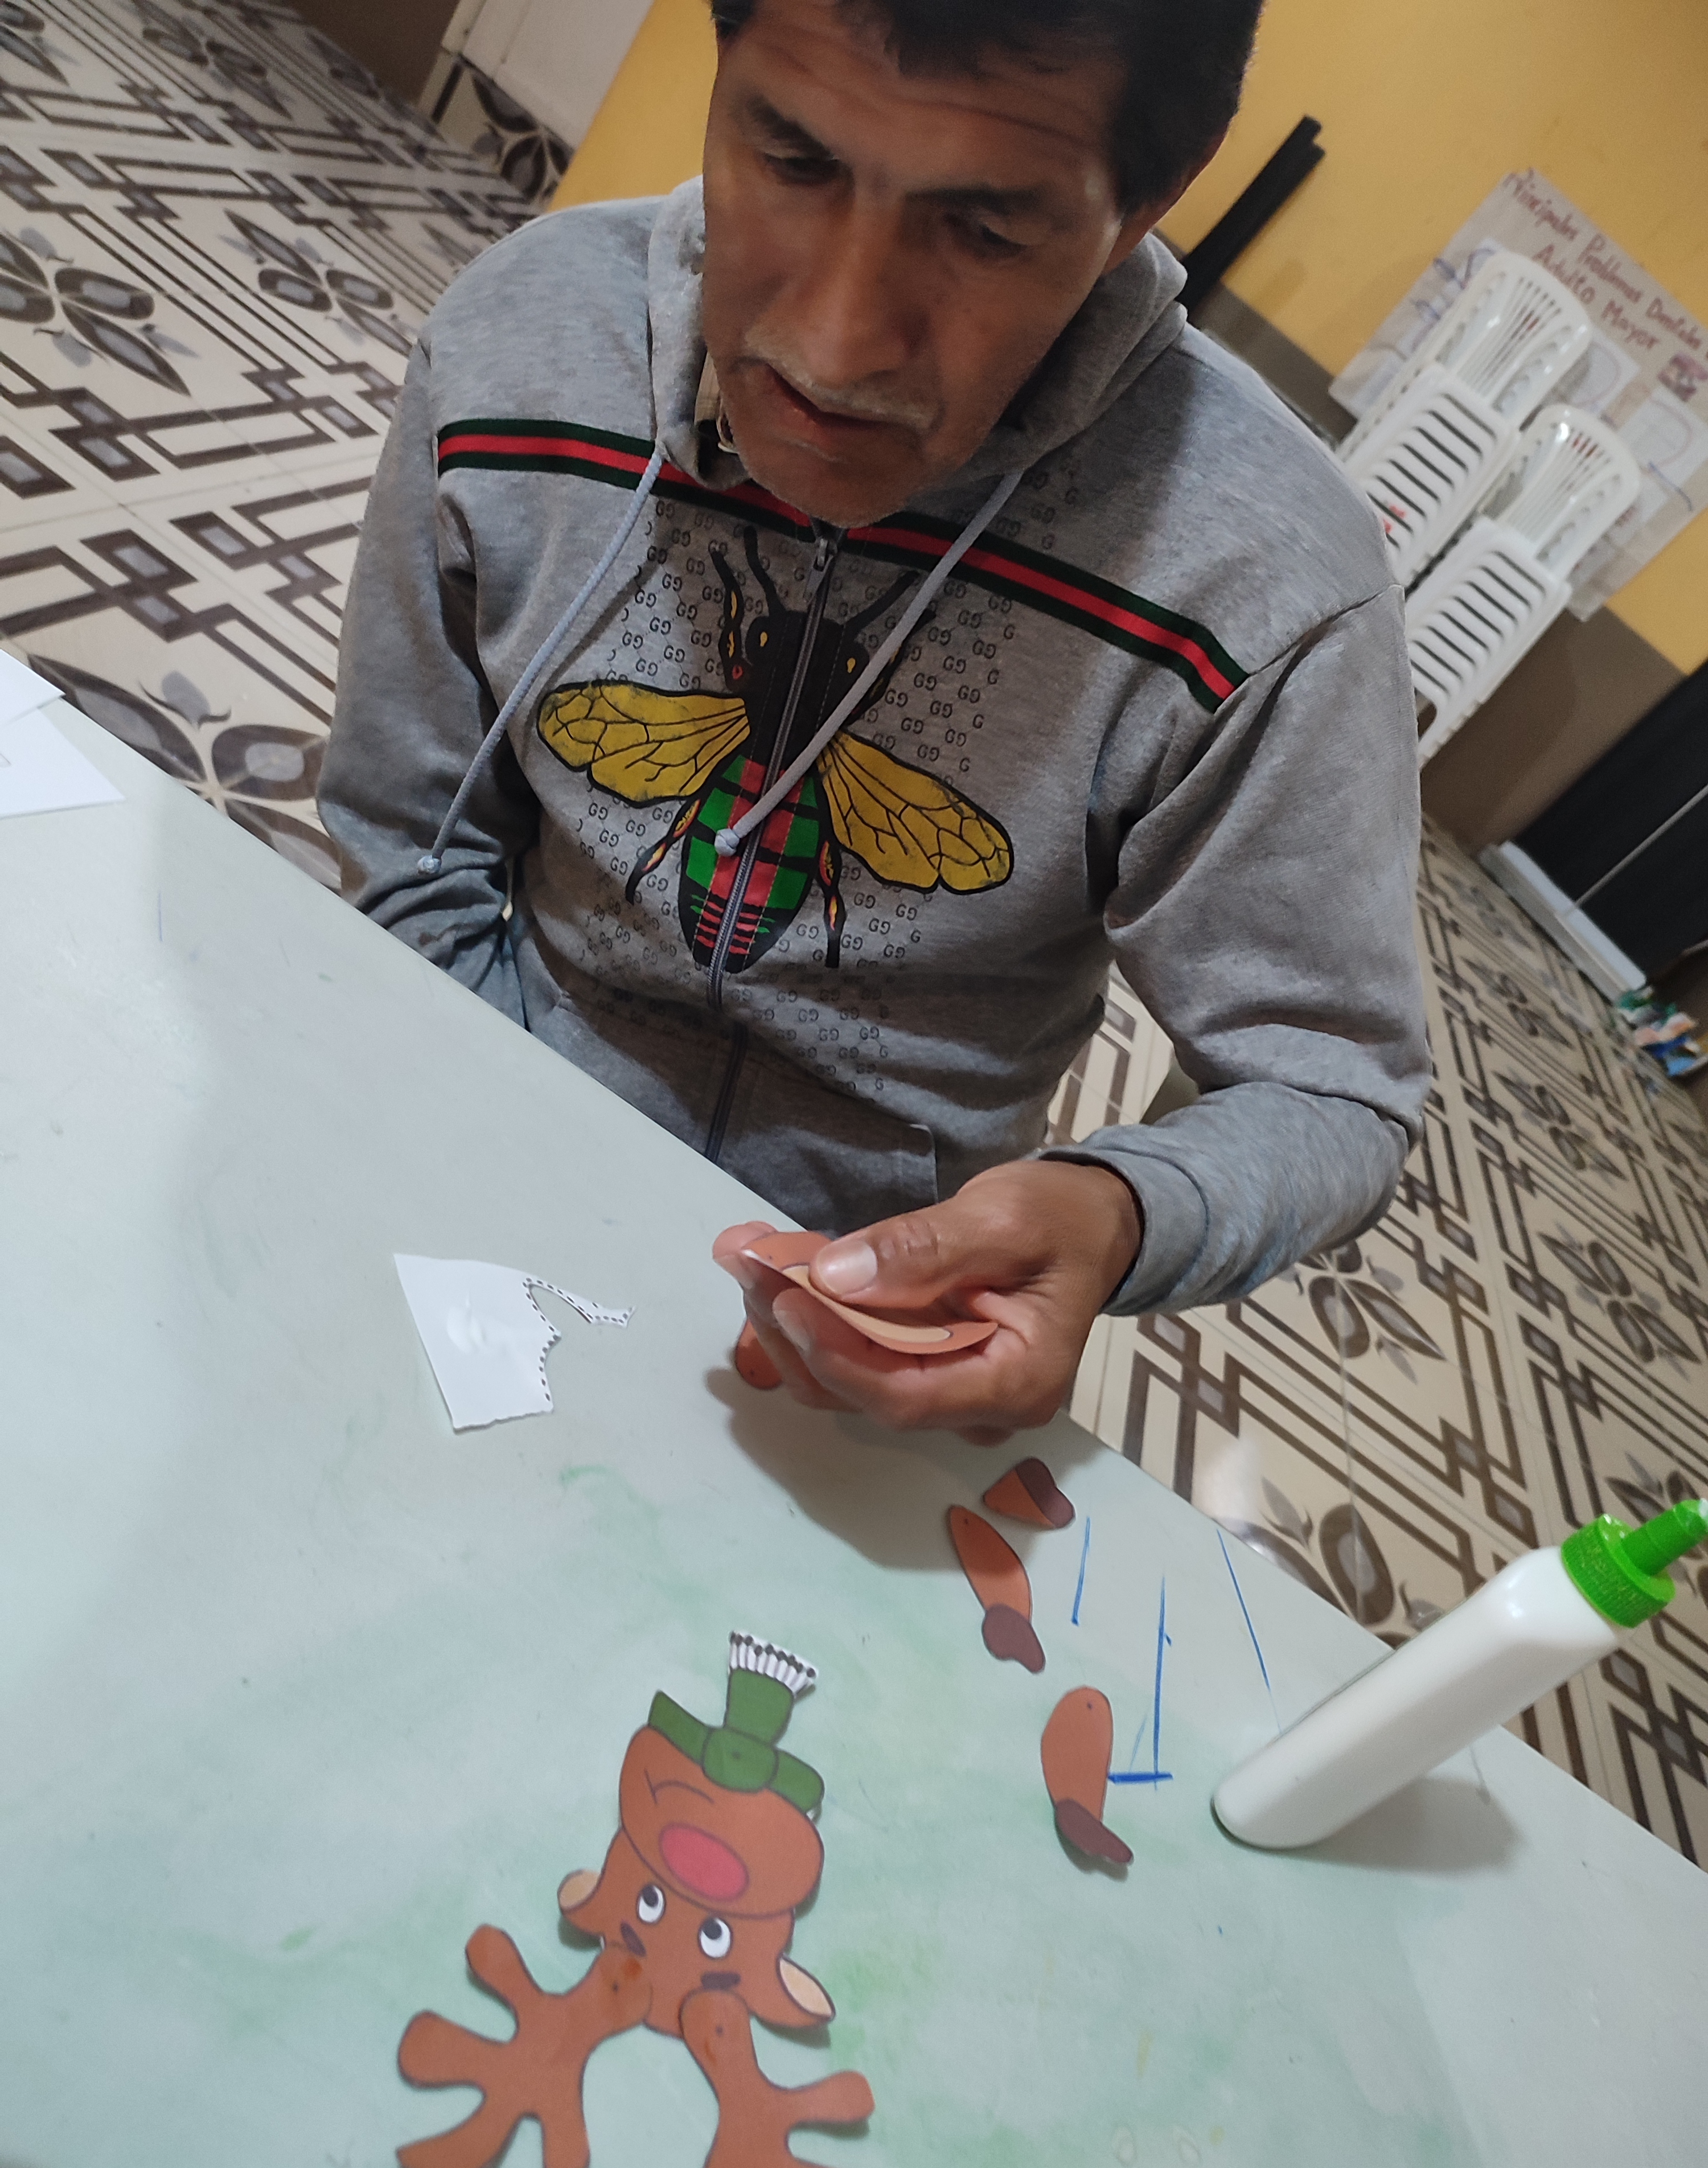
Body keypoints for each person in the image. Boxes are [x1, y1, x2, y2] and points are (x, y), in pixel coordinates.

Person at [318, 0, 1429, 1444]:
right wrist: (488, 1141)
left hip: (858, 1308)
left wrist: (1113, 1210)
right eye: (792, 159)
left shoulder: (1271, 582)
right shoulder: (520, 345)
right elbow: (407, 833)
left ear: (1145, 204)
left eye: (984, 231)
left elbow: (1330, 1085)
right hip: (479, 1113)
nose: (834, 345)